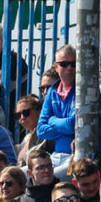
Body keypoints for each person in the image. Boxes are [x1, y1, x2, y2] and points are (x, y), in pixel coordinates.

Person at [36, 45, 77, 174]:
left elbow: (71, 125)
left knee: (47, 177)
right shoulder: (52, 91)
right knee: (20, 174)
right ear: (56, 67)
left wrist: (52, 119)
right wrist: (65, 129)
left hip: (75, 157)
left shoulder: (83, 90)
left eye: (73, 64)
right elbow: (41, 130)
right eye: (64, 64)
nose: (70, 68)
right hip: (55, 156)